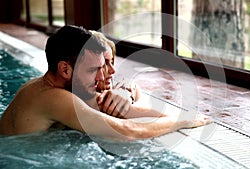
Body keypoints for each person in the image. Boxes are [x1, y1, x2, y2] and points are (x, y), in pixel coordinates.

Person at [0, 25, 211, 141]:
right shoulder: (55, 98)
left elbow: (114, 104)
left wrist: (127, 90)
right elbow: (127, 132)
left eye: (103, 67)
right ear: (65, 69)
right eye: (94, 70)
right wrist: (182, 121)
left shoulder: (40, 85)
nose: (102, 78)